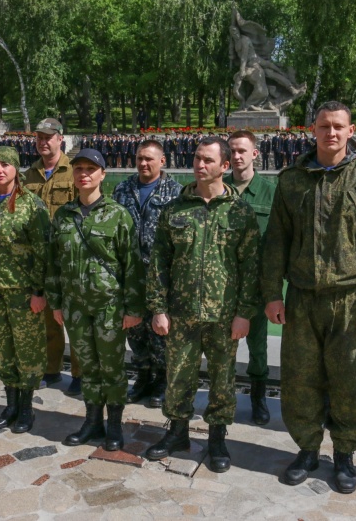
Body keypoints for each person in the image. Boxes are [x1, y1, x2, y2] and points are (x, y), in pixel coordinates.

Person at [261, 101, 356, 493]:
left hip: (352, 300)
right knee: (300, 379)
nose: (331, 133)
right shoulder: (292, 180)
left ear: (351, 131)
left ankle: (344, 453)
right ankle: (307, 449)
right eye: (324, 127)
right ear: (313, 130)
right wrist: (272, 294)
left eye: (339, 127)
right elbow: (276, 243)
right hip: (302, 298)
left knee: (350, 381)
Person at [144, 136, 260, 473]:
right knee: (178, 376)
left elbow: (251, 267)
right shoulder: (175, 209)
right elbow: (158, 263)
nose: (199, 165)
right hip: (180, 314)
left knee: (223, 380)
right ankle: (177, 432)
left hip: (224, 316)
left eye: (208, 160)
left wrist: (243, 314)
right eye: (196, 158)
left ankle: (217, 438)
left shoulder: (240, 212)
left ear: (225, 166)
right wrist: (158, 308)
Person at [47, 148, 144, 451]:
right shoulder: (64, 215)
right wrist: (56, 302)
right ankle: (92, 421)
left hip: (109, 308)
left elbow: (132, 264)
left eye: (91, 168)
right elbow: (53, 262)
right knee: (87, 367)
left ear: (103, 174)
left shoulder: (118, 215)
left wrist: (133, 308)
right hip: (75, 307)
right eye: (78, 169)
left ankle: (114, 424)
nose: (84, 174)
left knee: (112, 368)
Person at [0, 146, 51, 433]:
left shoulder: (31, 205)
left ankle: (26, 408)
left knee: (27, 351)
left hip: (22, 292)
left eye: (6, 165)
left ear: (16, 169)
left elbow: (43, 253)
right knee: (2, 350)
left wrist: (40, 291)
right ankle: (11, 403)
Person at [112, 140, 182, 408]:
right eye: (140, 158)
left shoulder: (175, 192)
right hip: (131, 276)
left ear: (162, 161)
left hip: (162, 278)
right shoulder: (122, 190)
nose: (143, 163)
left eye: (149, 159)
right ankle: (142, 378)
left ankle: (162, 382)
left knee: (161, 334)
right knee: (136, 332)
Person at [22, 118, 82, 395]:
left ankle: (81, 374)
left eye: (49, 137)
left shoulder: (73, 171)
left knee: (74, 318)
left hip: (67, 255)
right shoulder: (29, 174)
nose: (43, 142)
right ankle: (52, 368)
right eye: (39, 138)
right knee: (47, 317)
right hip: (38, 257)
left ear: (61, 139)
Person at [223, 130, 275, 425]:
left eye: (242, 151)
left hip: (257, 287)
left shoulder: (270, 191)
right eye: (232, 151)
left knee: (258, 347)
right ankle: (224, 396)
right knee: (223, 347)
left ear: (255, 154)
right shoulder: (218, 188)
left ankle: (258, 397)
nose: (237, 156)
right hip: (223, 285)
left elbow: (279, 242)